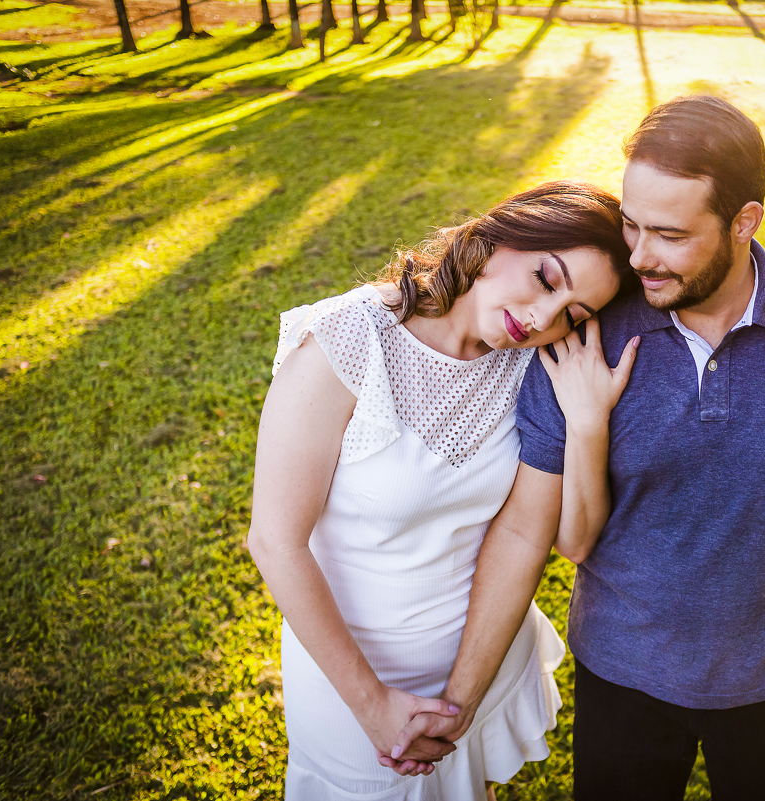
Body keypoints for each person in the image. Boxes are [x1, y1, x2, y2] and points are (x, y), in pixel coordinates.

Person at [393, 96, 765, 800]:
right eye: (630, 225)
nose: (637, 256)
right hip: (620, 676)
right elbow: (526, 532)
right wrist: (458, 700)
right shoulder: (581, 335)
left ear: (744, 221)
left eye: (668, 234)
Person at [246, 181, 639, 800]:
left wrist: (461, 700)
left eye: (573, 314)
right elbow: (275, 541)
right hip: (350, 675)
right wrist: (372, 705)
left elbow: (522, 533)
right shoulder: (347, 341)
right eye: (545, 279)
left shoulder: (536, 367)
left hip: (477, 659)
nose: (541, 319)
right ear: (501, 238)